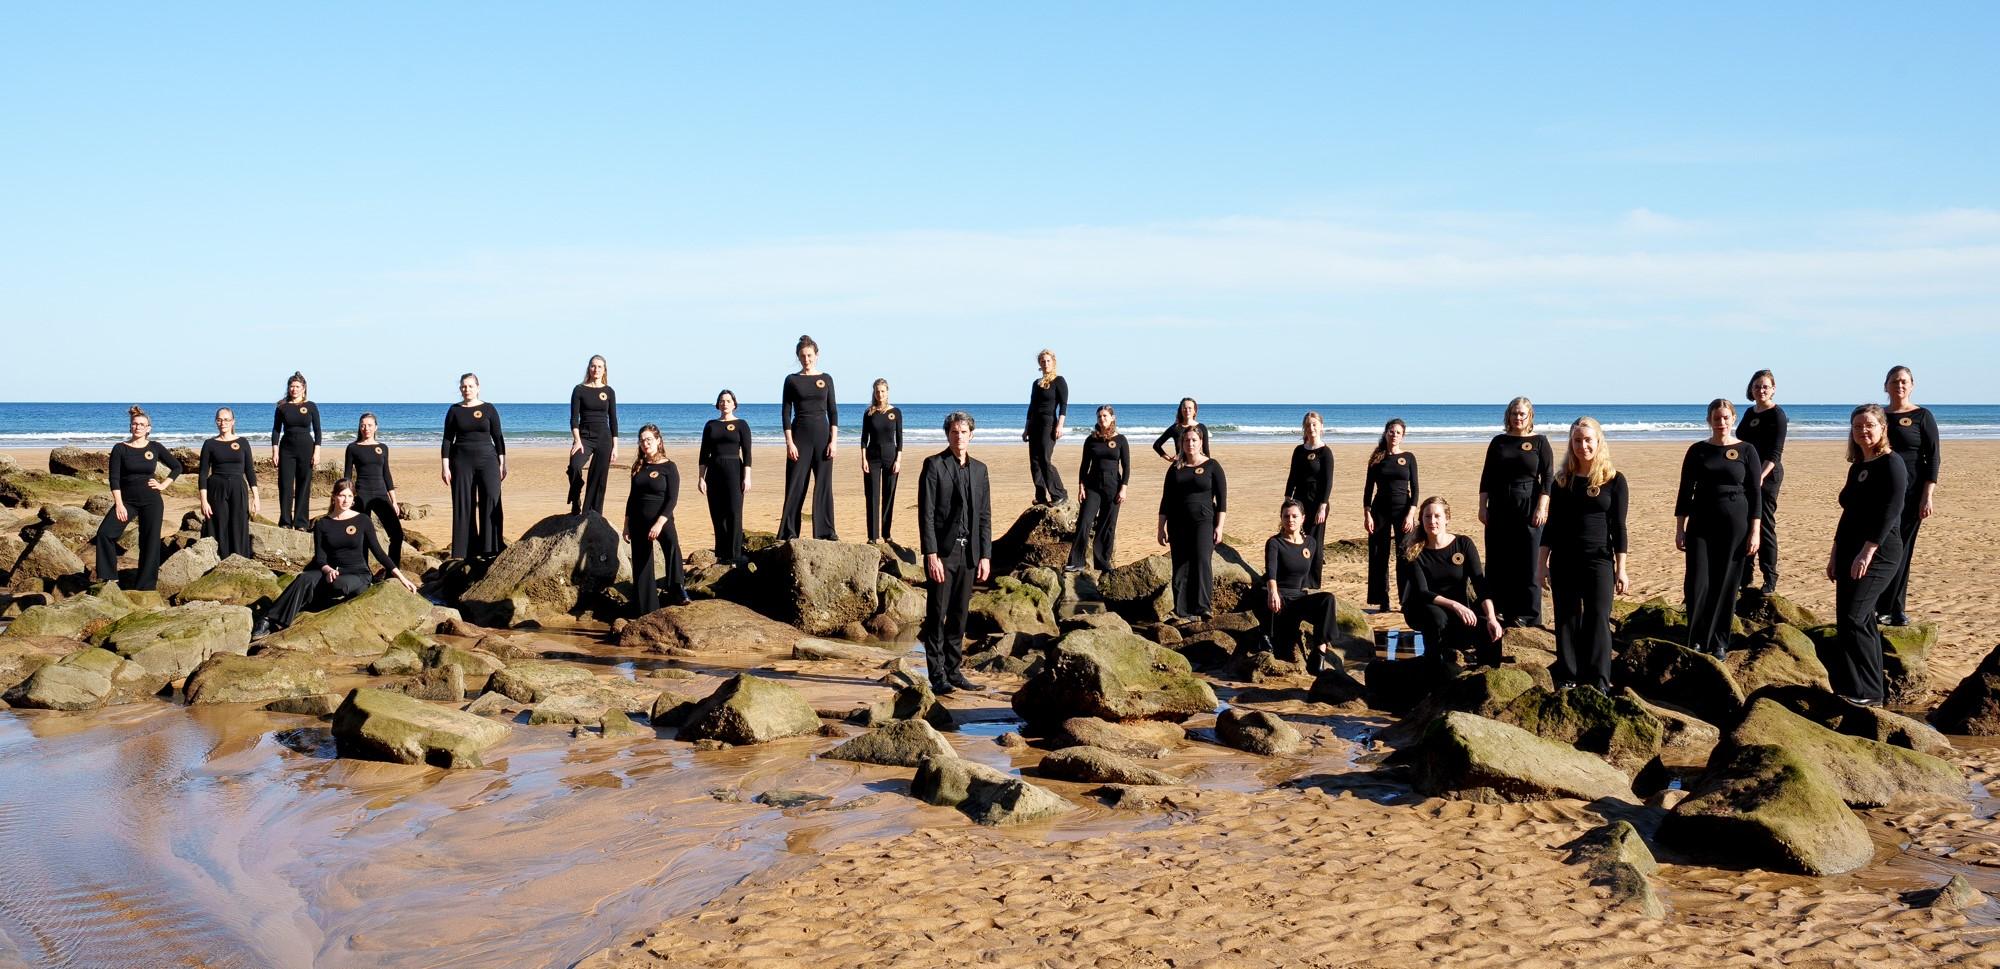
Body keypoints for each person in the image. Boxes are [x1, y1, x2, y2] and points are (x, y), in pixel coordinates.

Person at [254, 479, 418, 637]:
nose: (346, 500)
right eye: (342, 495)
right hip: (332, 572)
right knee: (304, 578)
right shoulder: (322, 524)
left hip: (358, 575)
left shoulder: (362, 520)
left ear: (353, 499)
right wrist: (327, 570)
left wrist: (402, 578)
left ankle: (306, 601)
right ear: (334, 497)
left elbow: (379, 553)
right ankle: (269, 619)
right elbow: (320, 558)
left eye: (350, 496)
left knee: (338, 584)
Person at [1538, 417, 1628, 692]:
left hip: (1599, 559)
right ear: (1571, 443)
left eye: (1588, 440)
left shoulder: (1614, 479)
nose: (1582, 446)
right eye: (1577, 440)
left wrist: (1621, 569)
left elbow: (1619, 528)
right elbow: (1551, 527)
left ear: (1598, 441)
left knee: (1598, 617)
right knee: (1567, 618)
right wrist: (1541, 565)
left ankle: (1599, 679)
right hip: (1564, 559)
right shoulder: (1562, 481)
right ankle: (1568, 675)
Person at [1826, 403, 1907, 706]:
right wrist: (1835, 552)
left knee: (1855, 616)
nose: (1863, 431)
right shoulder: (1858, 466)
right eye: (1858, 426)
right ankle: (1858, 688)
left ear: (1882, 428)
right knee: (1852, 620)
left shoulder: (1892, 463)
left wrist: (1867, 551)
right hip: (1850, 547)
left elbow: (1891, 512)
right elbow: (1847, 514)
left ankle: (1869, 691)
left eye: (1869, 425)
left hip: (1880, 550)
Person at [1675, 399, 1762, 659]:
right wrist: (1680, 528)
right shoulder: (1697, 450)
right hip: (1700, 523)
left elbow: (1756, 494)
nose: (1721, 422)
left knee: (1726, 582)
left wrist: (1755, 531)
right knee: (1697, 582)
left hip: (1736, 525)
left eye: (1725, 417)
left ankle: (1719, 641)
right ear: (1709, 420)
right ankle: (1696, 638)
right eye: (1716, 418)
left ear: (1733, 419)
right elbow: (1685, 490)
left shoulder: (1747, 450)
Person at [916, 411, 992, 695]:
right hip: (943, 553)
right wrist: (931, 553)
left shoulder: (980, 470)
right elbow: (926, 513)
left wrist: (985, 555)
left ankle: (954, 671)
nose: (959, 437)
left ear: (971, 435)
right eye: (954, 432)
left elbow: (984, 516)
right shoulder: (934, 465)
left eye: (963, 432)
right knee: (937, 613)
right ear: (947, 435)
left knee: (960, 614)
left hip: (969, 552)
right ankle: (937, 676)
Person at [1403, 497, 1504, 668]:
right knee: (1438, 617)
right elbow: (1423, 592)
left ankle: (1486, 674)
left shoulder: (1463, 544)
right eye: (1427, 516)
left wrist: (1491, 618)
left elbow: (1480, 583)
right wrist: (1456, 606)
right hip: (1424, 607)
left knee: (1489, 628)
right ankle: (1433, 665)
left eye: (1437, 516)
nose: (1432, 521)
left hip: (1459, 608)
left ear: (1447, 519)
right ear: (1421, 519)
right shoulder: (1415, 551)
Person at [1480, 397, 1554, 627]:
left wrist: (1542, 506)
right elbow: (1487, 475)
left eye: (1522, 414)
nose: (1518, 418)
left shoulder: (1540, 442)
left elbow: (1548, 478)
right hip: (1499, 504)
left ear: (1530, 416)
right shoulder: (1499, 442)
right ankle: (1500, 610)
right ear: (1508, 416)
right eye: (1514, 413)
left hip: (1529, 503)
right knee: (1499, 559)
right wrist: (1482, 506)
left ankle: (1530, 614)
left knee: (1529, 560)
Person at [94, 406, 183, 591]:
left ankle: (145, 586)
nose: (138, 427)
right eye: (135, 424)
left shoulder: (155, 447)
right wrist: (119, 504)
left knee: (150, 542)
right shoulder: (120, 448)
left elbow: (177, 467)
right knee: (105, 533)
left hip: (152, 501)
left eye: (142, 424)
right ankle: (109, 577)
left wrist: (163, 485)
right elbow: (114, 479)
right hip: (127, 502)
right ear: (130, 426)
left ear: (148, 428)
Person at [1880, 365, 1940, 626]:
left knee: (1902, 550)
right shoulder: (1879, 416)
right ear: (1886, 386)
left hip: (1912, 494)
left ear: (1912, 385)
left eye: (1904, 381)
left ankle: (1895, 608)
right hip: (1881, 493)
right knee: (1879, 547)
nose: (1900, 386)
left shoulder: (1922, 416)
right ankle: (1876, 606)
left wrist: (1927, 496)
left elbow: (1933, 458)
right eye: (1895, 381)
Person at [1157, 424, 1228, 620]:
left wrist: (1219, 527)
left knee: (1202, 560)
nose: (1190, 443)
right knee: (1180, 564)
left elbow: (1222, 500)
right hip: (1177, 522)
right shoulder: (1175, 468)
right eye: (1186, 440)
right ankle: (1181, 610)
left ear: (1201, 442)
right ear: (1182, 443)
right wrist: (1161, 527)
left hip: (1204, 522)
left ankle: (1203, 607)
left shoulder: (1212, 466)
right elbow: (1166, 499)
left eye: (1194, 440)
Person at [1261, 499, 1338, 674]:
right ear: (1281, 518)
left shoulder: (1310, 543)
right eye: (1286, 516)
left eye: (1295, 516)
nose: (1290, 520)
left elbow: (1308, 576)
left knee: (1328, 600)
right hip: (1280, 598)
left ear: (1303, 518)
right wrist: (1273, 592)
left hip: (1299, 599)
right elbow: (1270, 571)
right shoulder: (1274, 542)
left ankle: (1319, 654)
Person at [779, 334, 838, 540]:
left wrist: (833, 441)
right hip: (799, 437)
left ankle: (825, 532)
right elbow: (786, 413)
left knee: (824, 485)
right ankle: (789, 532)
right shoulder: (791, 380)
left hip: (823, 437)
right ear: (798, 356)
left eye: (810, 355)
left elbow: (833, 412)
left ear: (817, 355)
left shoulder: (826, 379)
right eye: (803, 356)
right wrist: (789, 443)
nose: (806, 359)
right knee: (795, 485)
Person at [441, 373, 506, 559]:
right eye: (463, 386)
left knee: (491, 498)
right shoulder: (454, 410)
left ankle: (491, 548)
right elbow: (447, 440)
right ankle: (465, 551)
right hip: (461, 461)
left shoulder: (489, 409)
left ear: (478, 388)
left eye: (470, 386)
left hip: (488, 460)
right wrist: (445, 466)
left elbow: (498, 437)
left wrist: (502, 462)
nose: (466, 389)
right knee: (464, 503)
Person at [624, 424, 686, 615]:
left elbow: (672, 499)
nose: (645, 443)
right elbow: (632, 498)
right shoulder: (638, 466)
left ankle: (678, 589)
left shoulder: (669, 467)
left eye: (649, 439)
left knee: (672, 546)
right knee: (642, 563)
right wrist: (626, 525)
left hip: (662, 520)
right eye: (642, 440)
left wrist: (659, 523)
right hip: (638, 521)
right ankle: (646, 608)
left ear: (658, 441)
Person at [1737, 370, 1788, 594]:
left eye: (1765, 386)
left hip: (1768, 476)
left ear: (1773, 389)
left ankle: (1770, 577)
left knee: (1764, 525)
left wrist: (1760, 477)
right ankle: (1745, 575)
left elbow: (1775, 454)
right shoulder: (1750, 412)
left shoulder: (1777, 415)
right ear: (1751, 389)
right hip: (1746, 476)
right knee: (1744, 523)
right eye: (1757, 386)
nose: (1761, 390)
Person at [1363, 418, 1419, 610]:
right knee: (1379, 555)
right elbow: (1368, 489)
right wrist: (1367, 514)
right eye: (1391, 431)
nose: (1394, 435)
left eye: (1398, 432)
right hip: (1379, 511)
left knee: (1405, 555)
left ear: (1403, 436)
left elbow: (1415, 489)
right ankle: (1382, 600)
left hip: (1404, 511)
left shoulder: (1409, 457)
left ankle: (1406, 600)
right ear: (1386, 433)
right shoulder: (1376, 458)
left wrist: (1411, 514)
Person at [1067, 405, 1130, 572]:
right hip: (1093, 486)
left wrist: (1123, 488)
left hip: (1113, 487)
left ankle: (1102, 563)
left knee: (1108, 525)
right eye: (1099, 416)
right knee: (1084, 521)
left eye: (1105, 416)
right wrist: (1081, 486)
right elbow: (1084, 465)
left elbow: (1126, 466)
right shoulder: (1091, 439)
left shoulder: (1121, 440)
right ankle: (1076, 562)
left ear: (1112, 418)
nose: (1102, 419)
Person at [697, 390, 753, 564]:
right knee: (717, 513)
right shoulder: (711, 425)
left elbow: (747, 453)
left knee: (734, 512)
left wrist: (747, 477)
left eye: (728, 400)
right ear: (718, 404)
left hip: (735, 471)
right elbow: (703, 454)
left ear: (734, 404)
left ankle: (735, 553)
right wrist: (701, 478)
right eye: (722, 401)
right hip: (714, 471)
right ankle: (722, 553)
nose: (725, 403)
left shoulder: (741, 424)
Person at [344, 413, 405, 570]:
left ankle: (392, 572)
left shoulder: (382, 448)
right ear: (359, 427)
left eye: (370, 425)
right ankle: (364, 573)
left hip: (381, 495)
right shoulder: (353, 448)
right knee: (361, 536)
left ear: (376, 427)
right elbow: (347, 476)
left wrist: (394, 500)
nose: (366, 428)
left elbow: (386, 474)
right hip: (361, 496)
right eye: (363, 425)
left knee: (397, 534)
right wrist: (347, 498)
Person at [198, 407, 259, 560]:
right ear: (216, 422)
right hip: (216, 488)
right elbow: (203, 474)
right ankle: (220, 560)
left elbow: (250, 471)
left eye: (226, 419)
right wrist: (203, 501)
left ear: (233, 422)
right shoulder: (209, 444)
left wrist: (256, 497)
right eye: (219, 420)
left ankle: (240, 560)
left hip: (238, 487)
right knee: (219, 525)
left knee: (239, 525)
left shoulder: (242, 442)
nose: (222, 423)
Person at [1283, 412, 1333, 588]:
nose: (1311, 428)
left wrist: (1322, 506)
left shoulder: (1325, 452)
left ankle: (1313, 582)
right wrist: (1287, 499)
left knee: (1314, 542)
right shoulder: (1299, 450)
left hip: (1318, 503)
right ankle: (1298, 579)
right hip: (1299, 502)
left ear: (1321, 427)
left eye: (1314, 424)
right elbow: (1292, 476)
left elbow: (1328, 482)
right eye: (1308, 425)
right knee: (1297, 539)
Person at [566, 354, 619, 516]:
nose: (596, 369)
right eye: (593, 366)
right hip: (584, 438)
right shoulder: (579, 389)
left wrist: (615, 446)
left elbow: (613, 420)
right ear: (589, 368)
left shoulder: (609, 391)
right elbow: (574, 419)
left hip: (604, 439)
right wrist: (577, 441)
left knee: (599, 478)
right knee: (575, 466)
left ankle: (593, 514)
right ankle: (576, 498)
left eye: (599, 366)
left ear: (604, 370)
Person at [270, 372, 322, 529]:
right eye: (291, 386)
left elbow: (318, 431)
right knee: (285, 485)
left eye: (297, 386)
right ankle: (285, 521)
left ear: (303, 388)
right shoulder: (282, 406)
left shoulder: (311, 406)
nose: (294, 389)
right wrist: (275, 451)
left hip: (307, 448)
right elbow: (276, 430)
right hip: (287, 449)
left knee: (303, 485)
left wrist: (317, 452)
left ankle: (301, 522)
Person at [859, 378, 904, 542]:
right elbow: (864, 438)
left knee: (888, 495)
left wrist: (898, 460)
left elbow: (900, 439)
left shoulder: (896, 412)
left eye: (883, 391)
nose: (880, 394)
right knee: (872, 496)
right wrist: (863, 459)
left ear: (887, 392)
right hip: (872, 459)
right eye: (877, 391)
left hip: (891, 457)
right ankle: (872, 536)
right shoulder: (869, 413)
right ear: (874, 392)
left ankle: (886, 534)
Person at [1023, 349, 1069, 504]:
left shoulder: (1059, 381)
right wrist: (1026, 428)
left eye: (1048, 361)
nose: (1046, 363)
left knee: (1044, 459)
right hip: (1034, 424)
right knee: (1034, 462)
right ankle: (1041, 496)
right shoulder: (1036, 383)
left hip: (1048, 424)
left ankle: (1059, 494)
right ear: (1039, 364)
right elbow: (1031, 406)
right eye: (1043, 361)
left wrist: (1060, 426)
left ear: (1053, 362)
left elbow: (1063, 405)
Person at [1152, 397, 1210, 461]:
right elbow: (1157, 445)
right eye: (1185, 408)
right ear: (1181, 410)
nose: (1187, 410)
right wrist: (1169, 459)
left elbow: (1206, 452)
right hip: (1180, 464)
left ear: (1194, 410)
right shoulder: (1175, 428)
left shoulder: (1202, 427)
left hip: (1197, 463)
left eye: (1190, 408)